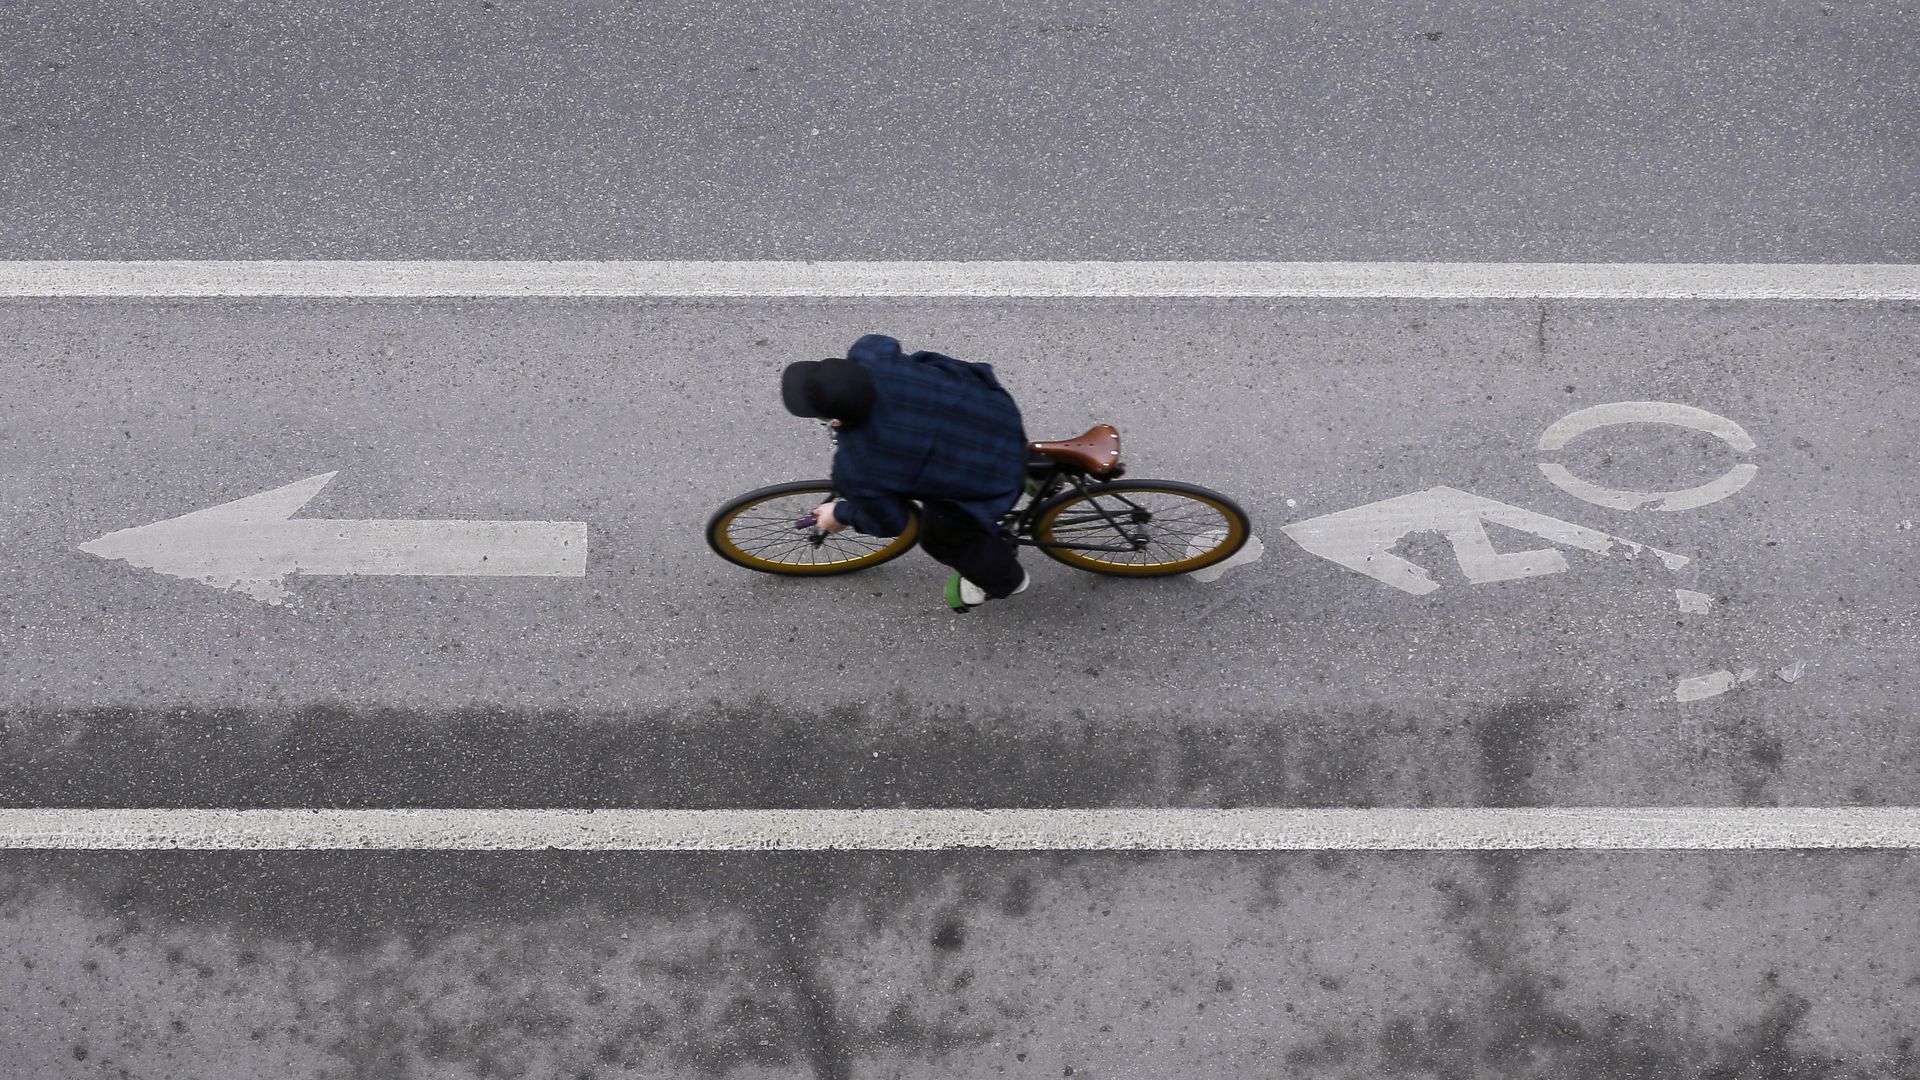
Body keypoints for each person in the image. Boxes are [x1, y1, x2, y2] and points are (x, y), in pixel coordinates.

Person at [781, 334, 1032, 612]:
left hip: (993, 479)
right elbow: (882, 342)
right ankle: (1041, 473)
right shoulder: (873, 355)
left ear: (836, 421)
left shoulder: (859, 465)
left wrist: (840, 514)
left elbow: (890, 522)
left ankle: (1008, 581)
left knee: (941, 540)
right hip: (996, 412)